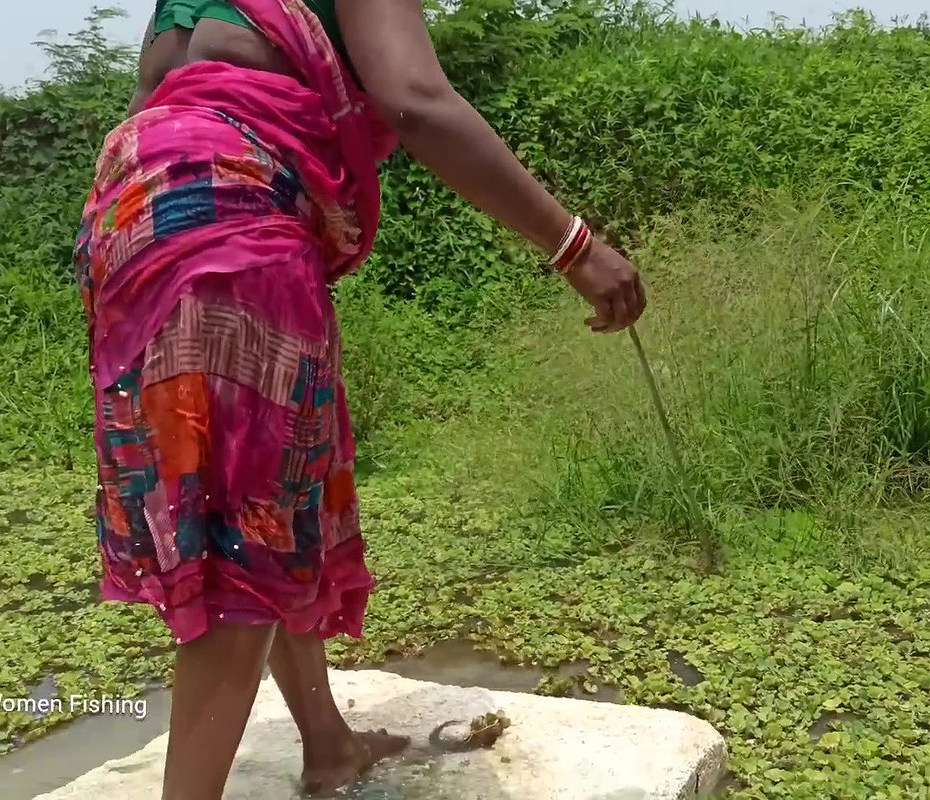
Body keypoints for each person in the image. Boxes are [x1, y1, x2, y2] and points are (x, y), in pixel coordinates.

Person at [74, 1, 648, 798]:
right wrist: (572, 243)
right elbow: (417, 100)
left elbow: (154, 97)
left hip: (132, 210)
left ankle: (328, 744)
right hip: (229, 219)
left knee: (270, 504)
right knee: (246, 540)